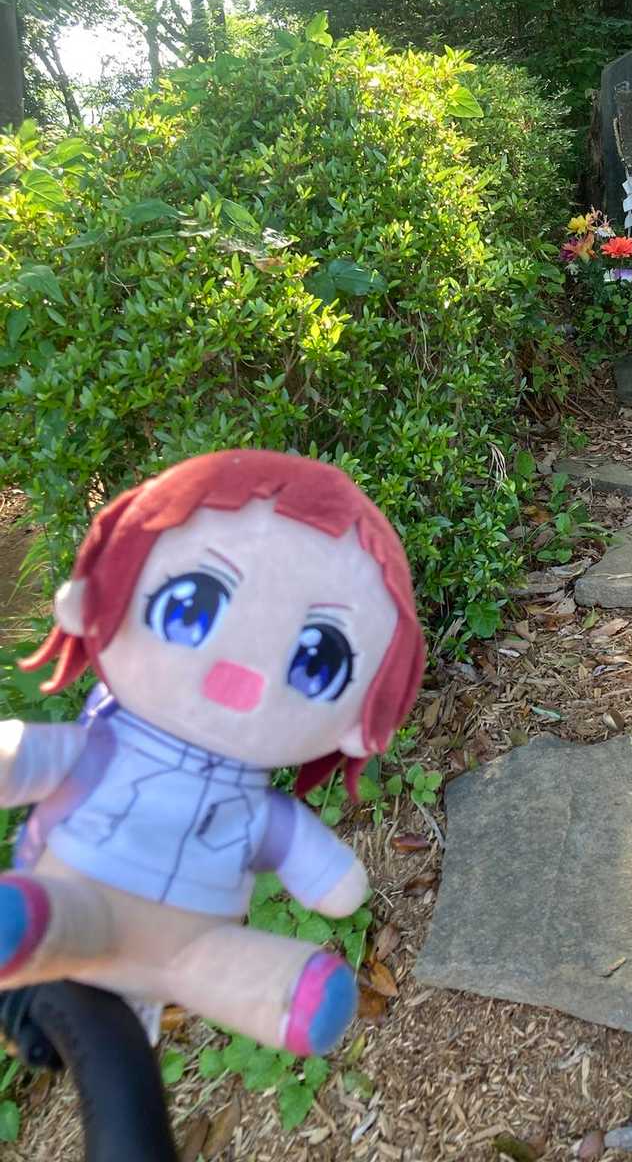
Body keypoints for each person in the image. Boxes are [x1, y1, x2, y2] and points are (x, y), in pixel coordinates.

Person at [0, 450, 425, 1055]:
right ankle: (33, 925)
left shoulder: (253, 808)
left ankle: (286, 996)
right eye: (190, 606)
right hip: (80, 902)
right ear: (94, 598)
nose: (245, 676)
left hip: (189, 941)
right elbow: (25, 756)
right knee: (56, 922)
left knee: (203, 963)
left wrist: (329, 876)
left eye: (315, 660)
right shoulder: (102, 749)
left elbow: (319, 866)